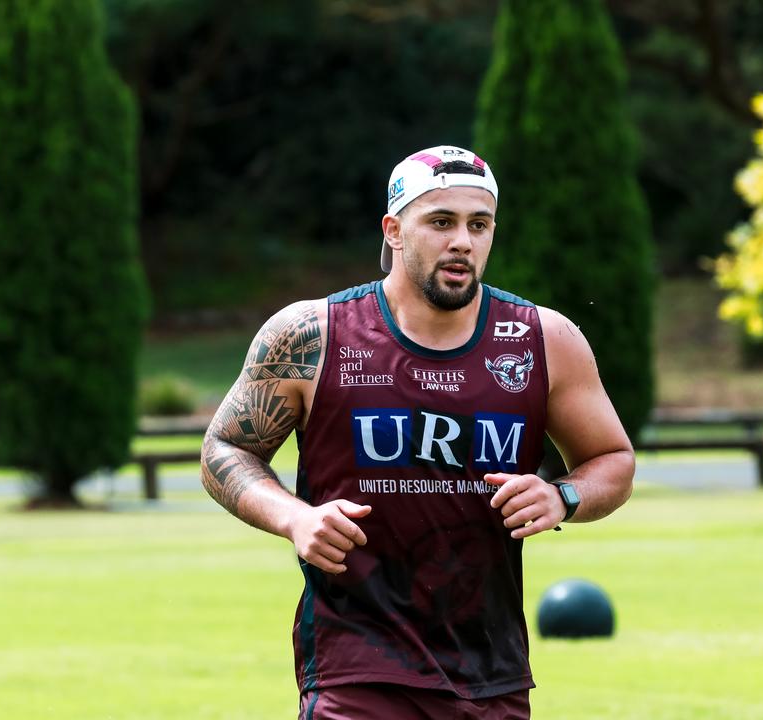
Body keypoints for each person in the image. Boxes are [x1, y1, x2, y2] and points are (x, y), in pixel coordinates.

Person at [200, 145, 635, 718]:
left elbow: (613, 459)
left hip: (490, 672)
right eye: (441, 221)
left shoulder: (544, 340)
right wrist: (296, 518)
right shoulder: (313, 334)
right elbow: (224, 448)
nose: (463, 241)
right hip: (355, 669)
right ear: (394, 229)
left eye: (479, 225)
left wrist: (563, 495)